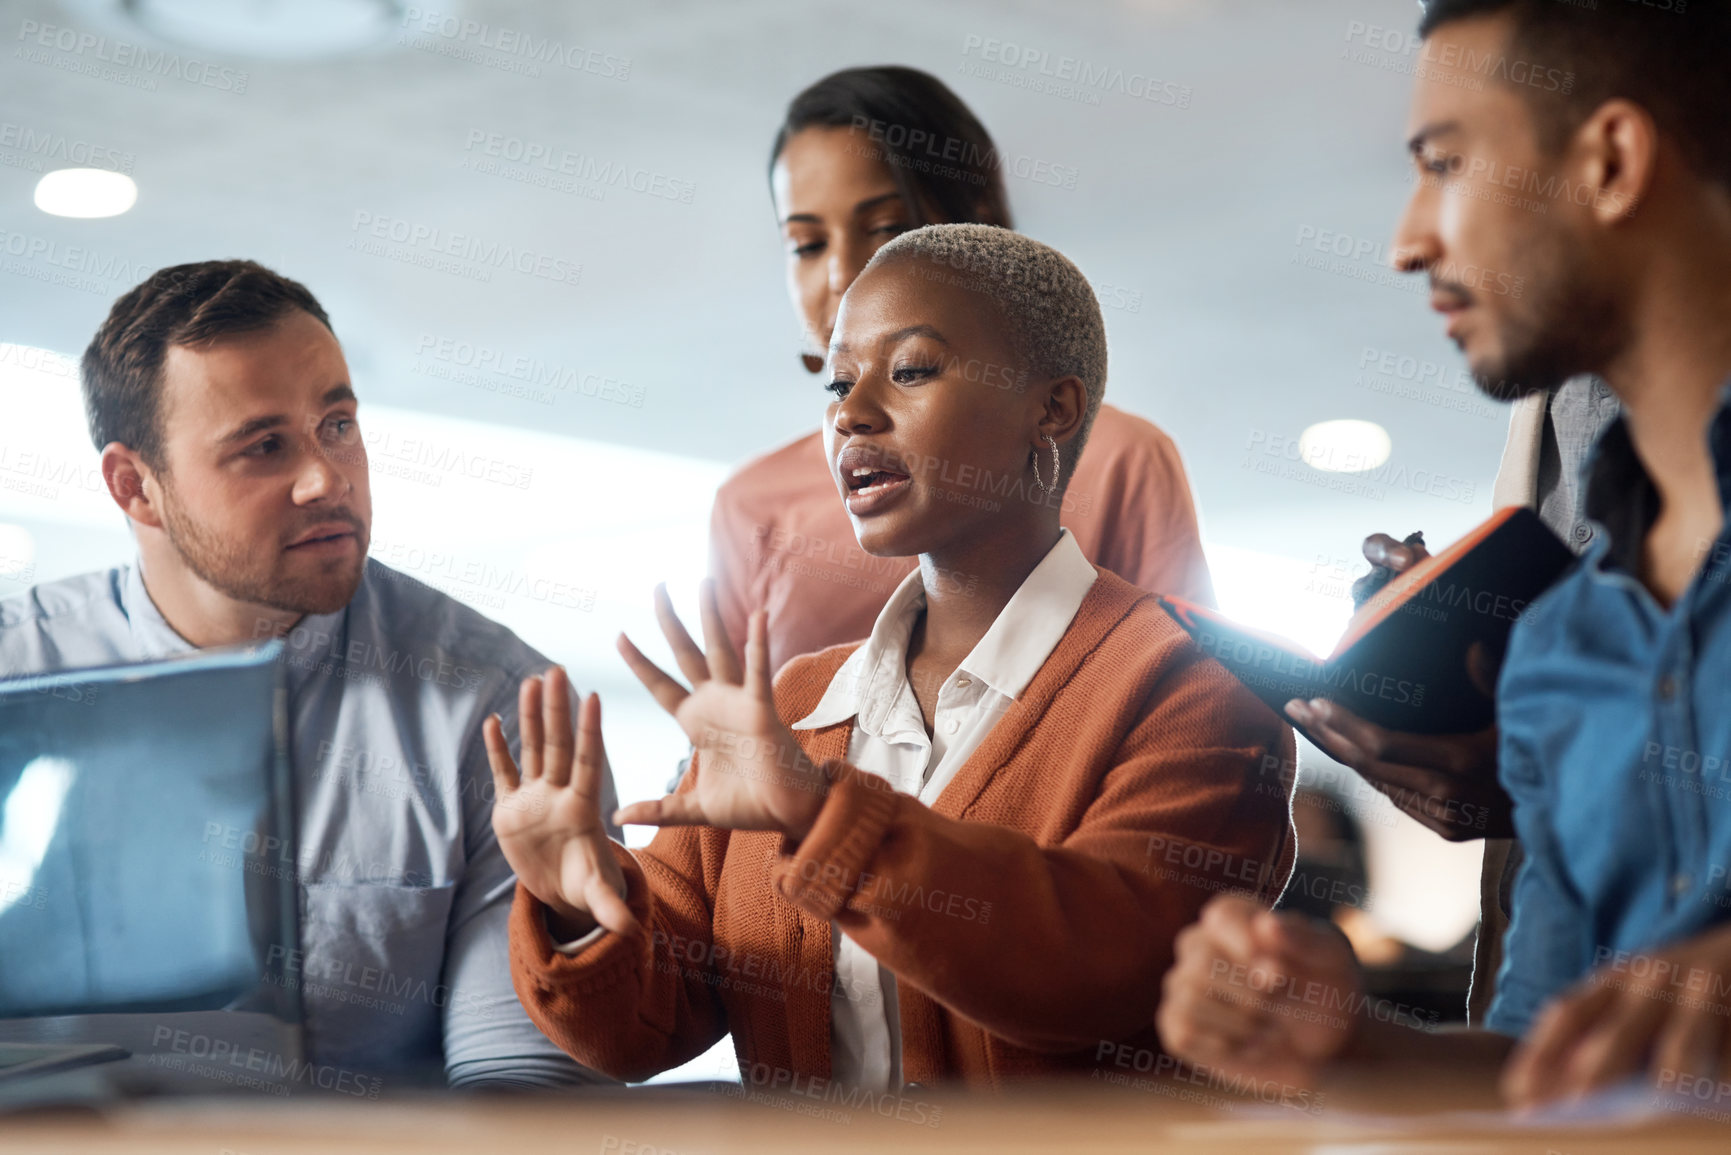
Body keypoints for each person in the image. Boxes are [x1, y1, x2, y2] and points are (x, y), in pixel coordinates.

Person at [491, 225, 1295, 1090]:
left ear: (1051, 410)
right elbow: (642, 1028)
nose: (850, 412)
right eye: (838, 381)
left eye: (909, 369)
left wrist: (820, 816)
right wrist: (578, 906)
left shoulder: (1196, 687)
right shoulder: (797, 701)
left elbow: (1098, 964)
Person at [1157, 0, 1731, 1106]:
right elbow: (1538, 1069)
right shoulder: (1565, 644)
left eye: (1446, 163)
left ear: (1610, 162)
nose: (1409, 239)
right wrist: (1345, 1041)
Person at [0, 260, 617, 1089]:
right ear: (135, 487)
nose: (328, 478)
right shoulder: (17, 674)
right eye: (264, 446)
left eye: (337, 423)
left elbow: (519, 1099)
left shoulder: (496, 707)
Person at [710, 65, 1214, 674]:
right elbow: (737, 742)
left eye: (887, 227)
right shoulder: (751, 506)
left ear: (974, 221)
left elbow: (1188, 699)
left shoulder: (1119, 460)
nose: (844, 275)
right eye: (807, 245)